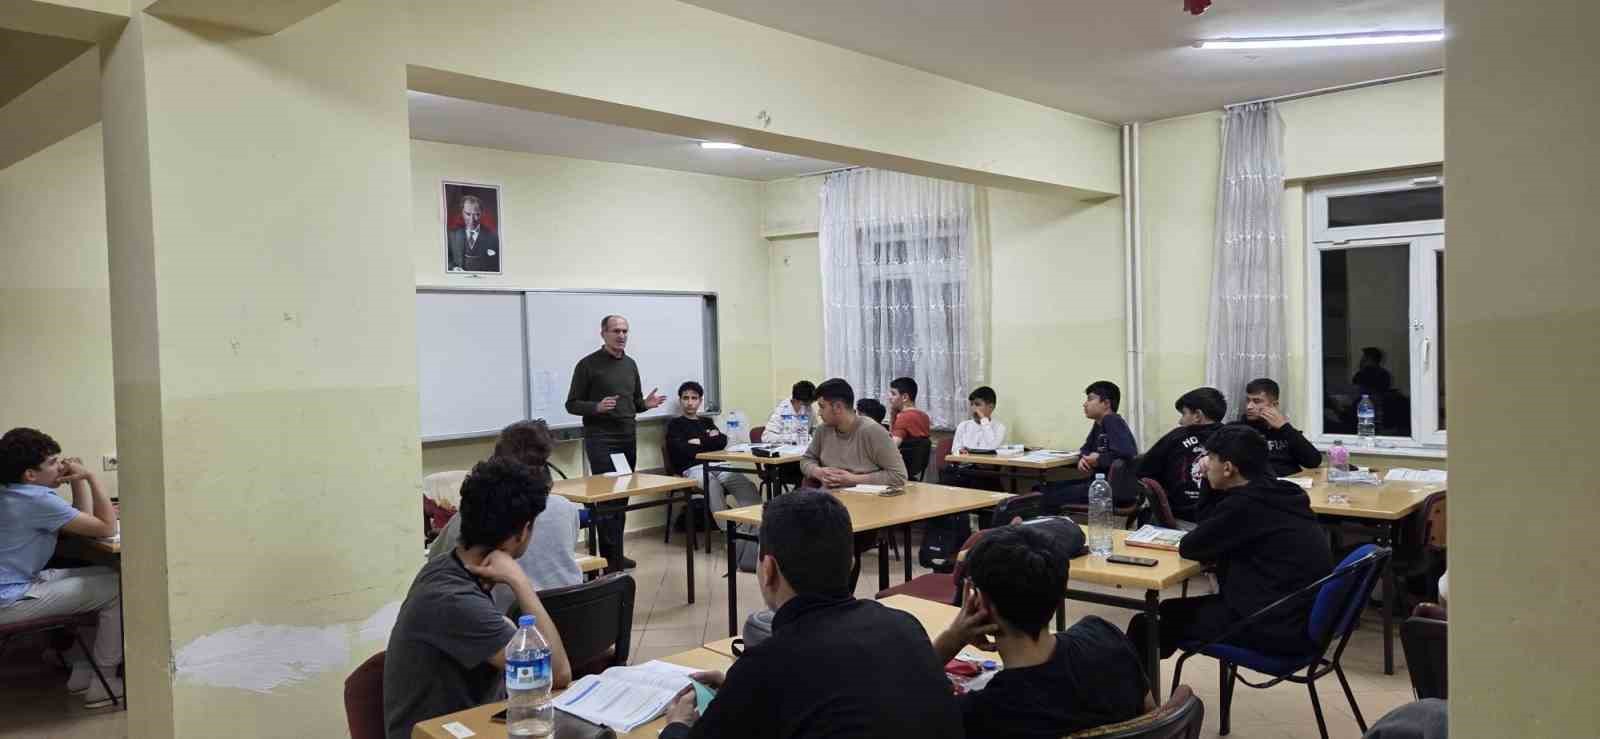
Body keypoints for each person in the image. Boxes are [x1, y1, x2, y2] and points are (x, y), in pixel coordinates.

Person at [658, 492, 962, 739]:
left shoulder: (765, 666)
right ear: (852, 562)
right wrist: (738, 693)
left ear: (768, 570)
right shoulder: (904, 625)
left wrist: (677, 725)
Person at [384, 458, 573, 739]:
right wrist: (521, 583)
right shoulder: (453, 599)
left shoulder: (446, 566)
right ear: (522, 532)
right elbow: (557, 675)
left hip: (476, 722)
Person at [1126, 425, 1334, 668]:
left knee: (1149, 623)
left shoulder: (1244, 506)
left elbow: (1192, 546)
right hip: (1299, 616)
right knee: (1169, 614)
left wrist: (1205, 482)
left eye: (1210, 459)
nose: (1205, 464)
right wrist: (1211, 483)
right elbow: (1211, 529)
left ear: (1228, 468)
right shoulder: (1284, 492)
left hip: (1271, 625)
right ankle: (1145, 688)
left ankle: (1134, 699)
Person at [933, 525, 1148, 738]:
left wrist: (951, 640)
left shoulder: (980, 714)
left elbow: (901, 702)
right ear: (1058, 594)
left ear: (980, 603)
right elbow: (1153, 718)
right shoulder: (1106, 638)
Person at [0, 428, 123, 708]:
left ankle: (82, 670)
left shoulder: (12, 491)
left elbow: (82, 521)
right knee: (118, 587)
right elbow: (105, 527)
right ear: (30, 474)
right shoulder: (37, 500)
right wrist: (91, 477)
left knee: (106, 576)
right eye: (53, 462)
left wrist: (76, 482)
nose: (62, 466)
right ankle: (103, 681)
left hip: (14, 584)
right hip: (9, 599)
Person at [426, 420, 582, 593]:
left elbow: (436, 559)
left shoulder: (472, 516)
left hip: (508, 615)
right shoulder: (566, 508)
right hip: (569, 609)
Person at [565, 314, 664, 571]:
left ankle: (615, 552)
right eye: (616, 331)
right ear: (603, 334)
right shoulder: (587, 365)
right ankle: (609, 559)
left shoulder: (630, 364)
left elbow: (635, 402)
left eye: (625, 331)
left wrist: (646, 405)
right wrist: (596, 407)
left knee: (622, 495)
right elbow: (572, 404)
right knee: (608, 496)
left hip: (627, 436)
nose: (621, 336)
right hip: (601, 438)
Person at [1038, 381, 1139, 511]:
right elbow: (1085, 448)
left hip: (1108, 490)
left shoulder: (1112, 420)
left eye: (1090, 399)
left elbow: (1128, 453)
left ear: (1106, 404)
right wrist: (1082, 458)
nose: (1085, 404)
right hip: (1098, 484)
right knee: (1041, 490)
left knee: (1043, 496)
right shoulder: (1099, 423)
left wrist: (1098, 460)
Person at [667, 381, 763, 515]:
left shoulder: (707, 421)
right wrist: (709, 440)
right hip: (694, 468)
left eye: (694, 398)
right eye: (686, 398)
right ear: (680, 400)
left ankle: (756, 527)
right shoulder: (675, 424)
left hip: (719, 465)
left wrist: (698, 441)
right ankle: (726, 530)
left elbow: (721, 441)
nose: (690, 402)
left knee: (745, 484)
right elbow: (682, 451)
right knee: (712, 485)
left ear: (700, 401)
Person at [1136, 387, 1226, 522]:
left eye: (1184, 414)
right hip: (1222, 519)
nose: (1180, 421)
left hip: (1181, 517)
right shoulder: (1234, 438)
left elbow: (1144, 469)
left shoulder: (1177, 436)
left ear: (1197, 416)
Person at [800, 378, 908, 490]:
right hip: (828, 501)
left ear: (838, 407)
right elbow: (807, 459)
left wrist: (853, 479)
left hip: (866, 501)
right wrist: (817, 471)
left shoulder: (873, 431)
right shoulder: (822, 430)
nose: (819, 413)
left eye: (822, 407)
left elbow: (899, 476)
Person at [1233, 378, 1322, 477]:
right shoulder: (1238, 430)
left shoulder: (1286, 431)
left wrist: (1285, 427)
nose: (1249, 406)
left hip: (1289, 485)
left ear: (1274, 405)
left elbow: (1313, 461)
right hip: (1262, 487)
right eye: (1248, 400)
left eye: (1256, 401)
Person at [941, 386, 1008, 490]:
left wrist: (984, 421)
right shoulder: (963, 425)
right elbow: (955, 450)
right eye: (971, 404)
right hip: (963, 471)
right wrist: (960, 452)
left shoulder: (999, 427)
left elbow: (991, 447)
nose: (973, 409)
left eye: (977, 404)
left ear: (991, 407)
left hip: (985, 473)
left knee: (980, 482)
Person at [446, 194, 501, 272]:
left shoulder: (493, 237)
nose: (472, 220)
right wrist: (453, 268)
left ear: (482, 213)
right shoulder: (452, 235)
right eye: (468, 214)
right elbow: (445, 260)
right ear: (462, 212)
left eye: (477, 214)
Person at [763, 380, 816, 445]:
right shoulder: (781, 410)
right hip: (786, 452)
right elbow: (766, 437)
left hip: (804, 449)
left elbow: (814, 429)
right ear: (798, 401)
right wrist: (792, 438)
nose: (809, 406)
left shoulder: (809, 408)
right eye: (807, 404)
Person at [887, 376, 931, 448]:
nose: (889, 397)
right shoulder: (925, 416)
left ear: (905, 397)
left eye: (893, 394)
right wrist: (893, 416)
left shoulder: (904, 418)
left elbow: (891, 449)